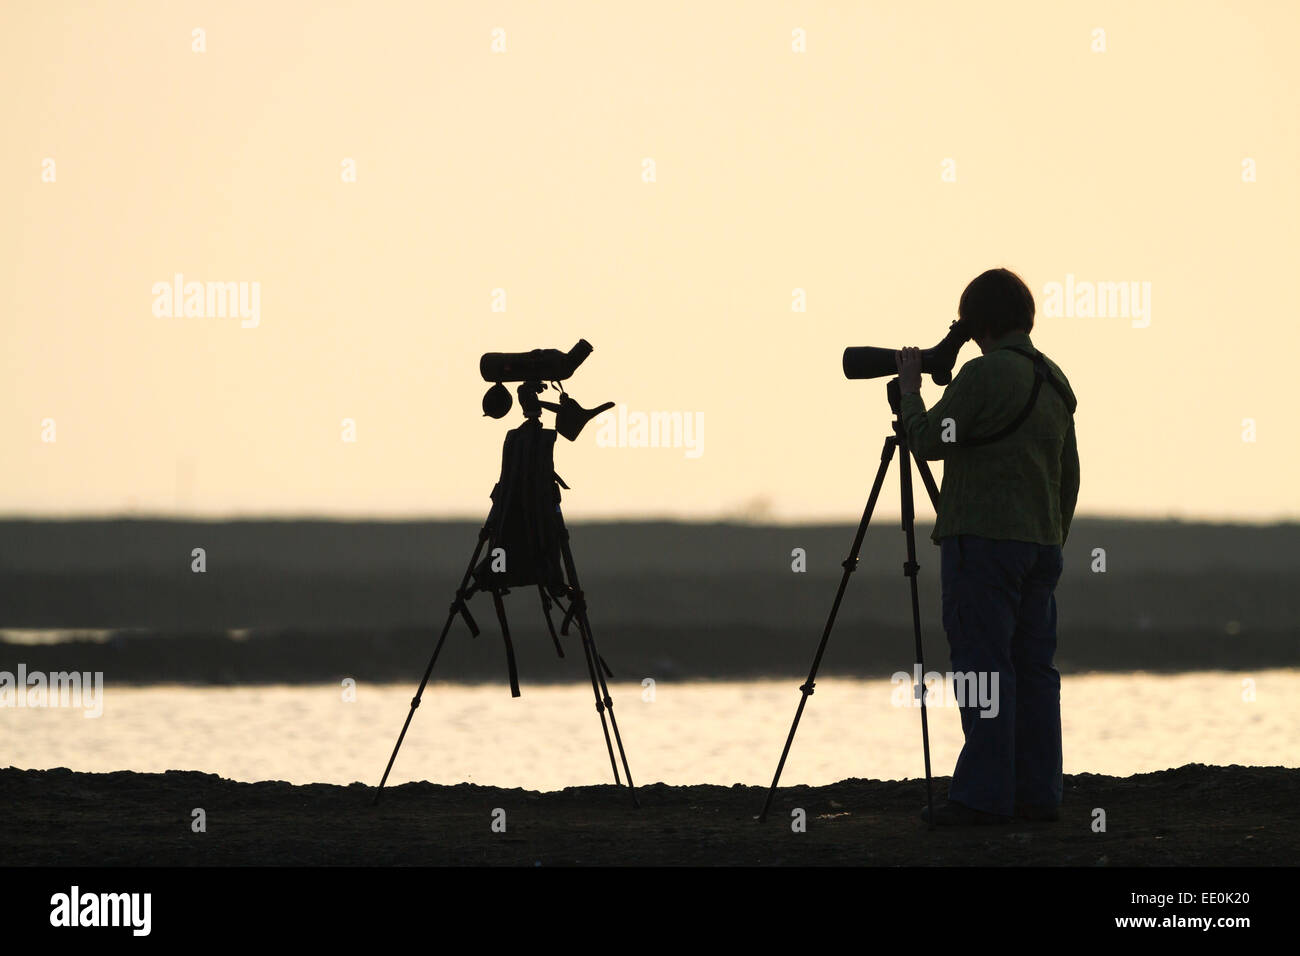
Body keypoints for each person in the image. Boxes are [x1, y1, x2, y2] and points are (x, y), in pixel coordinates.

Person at [894, 268, 1079, 826]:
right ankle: (1037, 795)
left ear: (977, 322)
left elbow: (927, 440)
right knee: (1035, 672)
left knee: (983, 670)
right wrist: (1052, 534)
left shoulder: (982, 375)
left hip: (983, 543)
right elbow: (1068, 474)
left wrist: (910, 394)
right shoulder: (1055, 380)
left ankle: (980, 798)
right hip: (1041, 545)